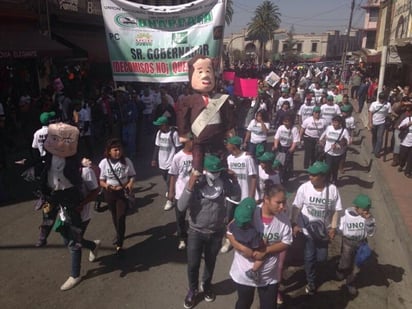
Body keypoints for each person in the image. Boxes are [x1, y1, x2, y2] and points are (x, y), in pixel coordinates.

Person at [177, 154, 240, 309]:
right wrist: (190, 184)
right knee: (193, 264)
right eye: (212, 171)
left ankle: (206, 285)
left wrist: (235, 180)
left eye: (218, 171)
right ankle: (193, 289)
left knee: (211, 262)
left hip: (216, 231)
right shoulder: (195, 184)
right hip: (196, 232)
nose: (215, 174)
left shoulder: (223, 184)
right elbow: (181, 206)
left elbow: (236, 196)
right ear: (203, 170)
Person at [228, 181, 292, 309]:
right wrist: (242, 248)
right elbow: (229, 232)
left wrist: (266, 250)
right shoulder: (249, 213)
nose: (282, 207)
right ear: (266, 199)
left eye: (284, 202)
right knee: (244, 303)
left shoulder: (284, 220)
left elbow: (287, 242)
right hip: (244, 272)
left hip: (269, 276)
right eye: (278, 202)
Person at [291, 161, 342, 295]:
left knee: (321, 258)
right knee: (309, 258)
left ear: (323, 177)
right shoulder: (304, 188)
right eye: (310, 174)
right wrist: (294, 223)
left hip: (323, 232)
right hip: (307, 232)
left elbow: (336, 210)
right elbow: (296, 206)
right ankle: (311, 282)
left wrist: (333, 228)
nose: (310, 177)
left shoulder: (332, 190)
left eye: (314, 175)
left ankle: (314, 271)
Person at [177, 55, 235, 174]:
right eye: (200, 71)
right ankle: (197, 176)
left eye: (208, 71)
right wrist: (184, 133)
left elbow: (227, 116)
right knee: (198, 161)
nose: (205, 75)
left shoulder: (221, 99)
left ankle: (224, 175)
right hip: (199, 140)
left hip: (218, 138)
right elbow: (183, 117)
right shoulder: (188, 100)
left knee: (221, 159)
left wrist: (229, 128)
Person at [98, 138, 136, 256]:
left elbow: (132, 176)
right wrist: (107, 186)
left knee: (121, 217)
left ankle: (119, 244)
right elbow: (101, 180)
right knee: (114, 216)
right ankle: (119, 233)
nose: (118, 152)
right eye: (115, 150)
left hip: (122, 193)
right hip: (109, 193)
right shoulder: (104, 163)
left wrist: (129, 185)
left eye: (119, 149)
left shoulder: (127, 161)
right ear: (109, 151)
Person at [221, 136, 257, 254]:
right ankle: (228, 240)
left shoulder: (247, 158)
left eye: (228, 144)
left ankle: (245, 241)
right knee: (229, 218)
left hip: (245, 195)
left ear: (234, 146)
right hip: (232, 196)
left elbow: (253, 177)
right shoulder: (229, 158)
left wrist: (251, 197)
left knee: (245, 220)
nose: (226, 146)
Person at [336, 194, 376, 296]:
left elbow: (371, 232)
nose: (366, 212)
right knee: (346, 262)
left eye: (368, 209)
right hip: (348, 243)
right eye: (364, 209)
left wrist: (368, 221)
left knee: (357, 267)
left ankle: (350, 282)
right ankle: (341, 270)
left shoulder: (368, 218)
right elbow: (340, 229)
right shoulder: (346, 216)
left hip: (361, 243)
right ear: (356, 208)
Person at [228, 197, 265, 283]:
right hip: (251, 250)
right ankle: (253, 271)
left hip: (240, 248)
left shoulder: (233, 225)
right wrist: (264, 242)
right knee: (262, 256)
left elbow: (228, 230)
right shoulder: (252, 233)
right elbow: (257, 245)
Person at [152, 116, 182, 210]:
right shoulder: (159, 133)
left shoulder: (174, 134)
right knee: (166, 180)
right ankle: (171, 190)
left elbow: (178, 148)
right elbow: (157, 147)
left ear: (165, 125)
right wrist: (154, 159)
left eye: (160, 125)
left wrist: (177, 162)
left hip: (171, 162)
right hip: (162, 162)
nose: (159, 127)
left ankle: (170, 200)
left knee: (170, 181)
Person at [168, 136, 193, 250]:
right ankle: (182, 238)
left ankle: (194, 237)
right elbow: (173, 174)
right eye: (192, 140)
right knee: (180, 218)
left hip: (194, 193)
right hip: (180, 193)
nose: (194, 143)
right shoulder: (178, 157)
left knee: (194, 217)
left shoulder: (198, 155)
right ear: (186, 142)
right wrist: (171, 192)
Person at [319, 116, 350, 184]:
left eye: (336, 122)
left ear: (340, 123)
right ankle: (327, 181)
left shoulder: (344, 131)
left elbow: (348, 142)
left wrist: (339, 146)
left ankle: (334, 180)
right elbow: (324, 134)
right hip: (328, 152)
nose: (334, 124)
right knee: (328, 167)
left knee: (335, 168)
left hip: (338, 154)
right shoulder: (329, 128)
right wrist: (321, 140)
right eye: (333, 122)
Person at [272, 114, 300, 183]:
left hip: (289, 148)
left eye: (288, 121)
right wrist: (275, 145)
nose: (286, 123)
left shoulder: (294, 129)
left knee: (287, 164)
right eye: (285, 121)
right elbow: (276, 137)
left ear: (291, 122)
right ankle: (280, 177)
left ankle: (286, 179)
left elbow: (295, 140)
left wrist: (292, 148)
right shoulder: (281, 128)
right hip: (281, 147)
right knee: (280, 163)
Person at [368, 92, 392, 158]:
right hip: (374, 123)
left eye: (383, 99)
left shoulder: (388, 105)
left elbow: (389, 113)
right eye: (380, 99)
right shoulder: (374, 104)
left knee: (380, 138)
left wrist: (389, 121)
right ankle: (374, 148)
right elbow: (370, 113)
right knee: (374, 137)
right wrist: (370, 122)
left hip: (382, 123)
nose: (381, 100)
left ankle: (377, 152)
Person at [397, 107, 412, 178]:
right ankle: (401, 165)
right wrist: (407, 125)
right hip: (405, 142)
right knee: (403, 156)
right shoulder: (407, 120)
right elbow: (400, 128)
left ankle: (407, 172)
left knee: (410, 158)